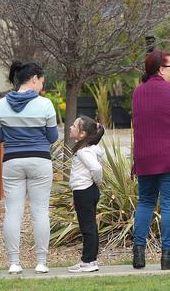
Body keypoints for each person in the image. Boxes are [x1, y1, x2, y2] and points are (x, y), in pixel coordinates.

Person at [0, 61, 58, 274]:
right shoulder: (45, 104)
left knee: (13, 212)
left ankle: (13, 262)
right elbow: (53, 137)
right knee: (40, 212)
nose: (42, 86)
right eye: (41, 81)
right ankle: (41, 261)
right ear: (34, 79)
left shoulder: (1, 104)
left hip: (12, 160)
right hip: (40, 160)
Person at [131, 49, 170, 271]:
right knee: (169, 204)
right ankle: (167, 257)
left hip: (145, 158)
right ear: (161, 69)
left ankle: (138, 254)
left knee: (145, 202)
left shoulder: (138, 92)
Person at [67, 116, 105, 273]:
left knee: (87, 227)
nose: (70, 127)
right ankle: (88, 260)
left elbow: (96, 169)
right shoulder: (87, 149)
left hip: (85, 191)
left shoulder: (84, 152)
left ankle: (89, 261)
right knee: (89, 226)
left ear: (82, 134)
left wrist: (98, 182)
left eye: (74, 125)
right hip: (84, 191)